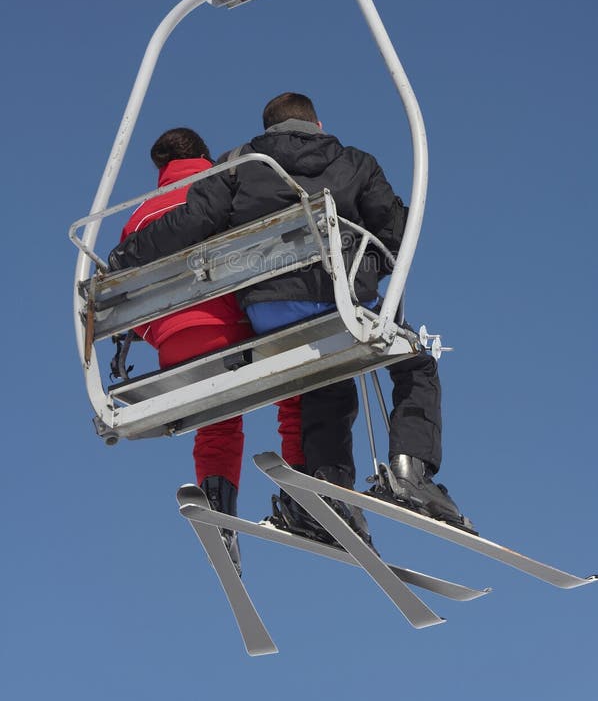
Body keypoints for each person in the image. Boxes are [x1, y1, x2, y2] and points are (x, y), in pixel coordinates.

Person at [109, 95, 472, 537]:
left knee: (325, 380)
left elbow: (194, 219)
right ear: (318, 122)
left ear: (265, 129)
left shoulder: (238, 166)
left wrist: (127, 256)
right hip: (341, 303)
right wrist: (378, 266)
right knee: (416, 363)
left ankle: (328, 492)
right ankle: (409, 470)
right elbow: (395, 233)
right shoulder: (354, 162)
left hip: (268, 314)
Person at [119, 127, 304, 571]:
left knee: (217, 423)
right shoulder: (228, 189)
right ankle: (305, 495)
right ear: (204, 155)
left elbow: (127, 303)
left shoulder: (137, 218)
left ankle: (220, 509)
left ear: (161, 167)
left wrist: (161, 331)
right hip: (234, 331)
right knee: (299, 391)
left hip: (174, 351)